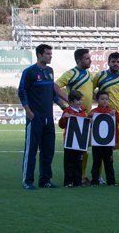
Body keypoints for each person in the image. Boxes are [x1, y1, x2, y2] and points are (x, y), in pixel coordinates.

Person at [20, 44, 63, 189]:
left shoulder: (50, 71)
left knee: (48, 150)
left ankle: (45, 180)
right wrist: (27, 110)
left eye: (51, 54)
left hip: (49, 118)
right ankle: (28, 181)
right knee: (31, 150)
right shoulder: (29, 72)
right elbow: (21, 92)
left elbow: (52, 93)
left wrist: (62, 105)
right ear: (39, 55)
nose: (50, 56)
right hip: (35, 117)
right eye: (47, 54)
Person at [93, 52, 119, 184]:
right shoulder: (100, 76)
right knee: (101, 150)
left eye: (118, 62)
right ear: (108, 62)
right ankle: (98, 177)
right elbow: (92, 90)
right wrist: (100, 105)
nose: (116, 64)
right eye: (113, 62)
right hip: (103, 119)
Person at [55, 49, 93, 185]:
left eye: (90, 58)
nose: (90, 60)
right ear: (78, 60)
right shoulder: (71, 73)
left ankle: (81, 176)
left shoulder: (89, 74)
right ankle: (74, 178)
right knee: (73, 152)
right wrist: (68, 100)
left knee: (84, 149)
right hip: (76, 119)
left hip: (85, 117)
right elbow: (55, 86)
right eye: (87, 58)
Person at [89, 90, 117, 186]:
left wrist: (114, 142)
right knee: (96, 162)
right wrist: (90, 120)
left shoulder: (111, 112)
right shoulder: (93, 112)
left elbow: (114, 128)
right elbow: (87, 125)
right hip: (97, 143)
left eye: (106, 99)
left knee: (109, 163)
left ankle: (111, 182)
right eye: (102, 99)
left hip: (108, 143)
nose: (104, 101)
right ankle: (95, 181)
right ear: (97, 100)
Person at [59, 90, 86, 187]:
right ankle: (68, 182)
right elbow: (61, 125)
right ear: (70, 102)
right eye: (77, 100)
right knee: (69, 162)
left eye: (80, 100)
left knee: (79, 162)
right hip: (69, 141)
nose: (80, 102)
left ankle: (77, 181)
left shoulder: (83, 111)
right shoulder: (67, 111)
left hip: (79, 141)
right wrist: (64, 118)